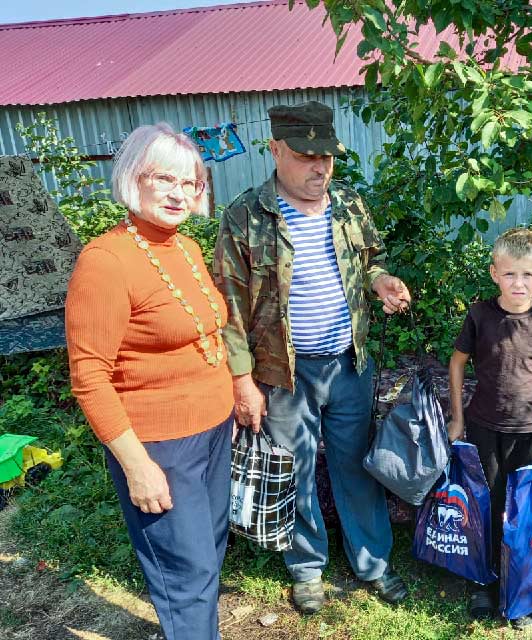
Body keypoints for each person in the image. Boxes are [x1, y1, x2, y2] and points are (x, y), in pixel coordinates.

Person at [213, 101, 411, 615]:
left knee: (357, 465)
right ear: (275, 149)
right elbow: (228, 308)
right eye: (306, 156)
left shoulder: (349, 205)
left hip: (349, 362)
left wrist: (382, 282)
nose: (320, 168)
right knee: (296, 468)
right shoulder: (244, 216)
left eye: (327, 156)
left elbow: (370, 263)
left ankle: (372, 563)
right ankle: (306, 568)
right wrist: (241, 381)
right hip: (284, 372)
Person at [66, 123, 235, 640]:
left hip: (211, 430)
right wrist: (137, 466)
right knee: (186, 574)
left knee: (208, 553)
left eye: (191, 183)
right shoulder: (106, 262)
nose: (179, 193)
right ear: (133, 178)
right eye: (165, 178)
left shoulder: (183, 247)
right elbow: (89, 378)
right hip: (158, 445)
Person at [447, 227, 532, 629]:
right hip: (484, 427)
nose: (518, 283)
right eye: (509, 274)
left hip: (530, 432)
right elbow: (456, 363)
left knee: (522, 513)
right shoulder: (479, 315)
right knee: (487, 504)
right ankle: (482, 579)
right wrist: (457, 417)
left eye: (527, 275)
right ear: (493, 273)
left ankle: (518, 585)